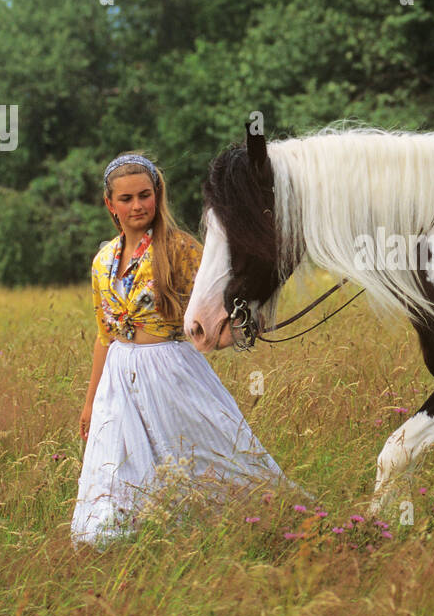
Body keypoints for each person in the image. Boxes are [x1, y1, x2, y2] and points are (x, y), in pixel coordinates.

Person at [71, 152, 293, 547]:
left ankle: (247, 526)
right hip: (118, 375)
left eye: (145, 195)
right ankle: (118, 540)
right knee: (116, 466)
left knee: (197, 455)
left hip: (171, 368)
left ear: (157, 195)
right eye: (126, 199)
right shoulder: (103, 259)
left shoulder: (181, 249)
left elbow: (211, 316)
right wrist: (90, 401)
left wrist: (245, 328)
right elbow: (104, 335)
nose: (137, 205)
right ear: (110, 204)